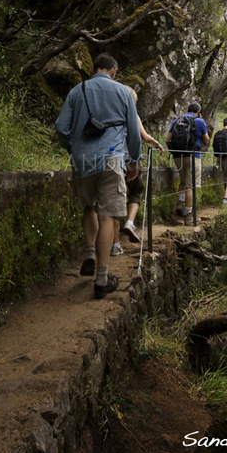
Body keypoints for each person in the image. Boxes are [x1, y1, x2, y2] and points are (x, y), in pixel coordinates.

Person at [55, 53, 141, 299]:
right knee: (108, 216)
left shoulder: (76, 91)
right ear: (113, 71)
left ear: (95, 69)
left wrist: (73, 148)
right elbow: (133, 133)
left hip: (82, 161)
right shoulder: (123, 92)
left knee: (89, 208)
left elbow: (62, 127)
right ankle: (102, 280)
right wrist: (133, 161)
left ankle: (90, 253)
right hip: (111, 159)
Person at [111, 89, 164, 255]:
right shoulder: (133, 115)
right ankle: (130, 222)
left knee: (113, 204)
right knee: (136, 192)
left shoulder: (110, 114)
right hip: (129, 161)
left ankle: (115, 245)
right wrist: (156, 143)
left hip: (110, 160)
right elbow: (144, 136)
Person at [166, 103, 210, 226]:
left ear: (187, 110)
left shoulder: (177, 120)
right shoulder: (199, 121)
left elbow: (167, 139)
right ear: (199, 111)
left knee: (183, 181)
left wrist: (174, 151)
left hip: (177, 156)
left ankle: (180, 203)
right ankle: (189, 216)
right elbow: (207, 140)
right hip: (192, 156)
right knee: (190, 186)